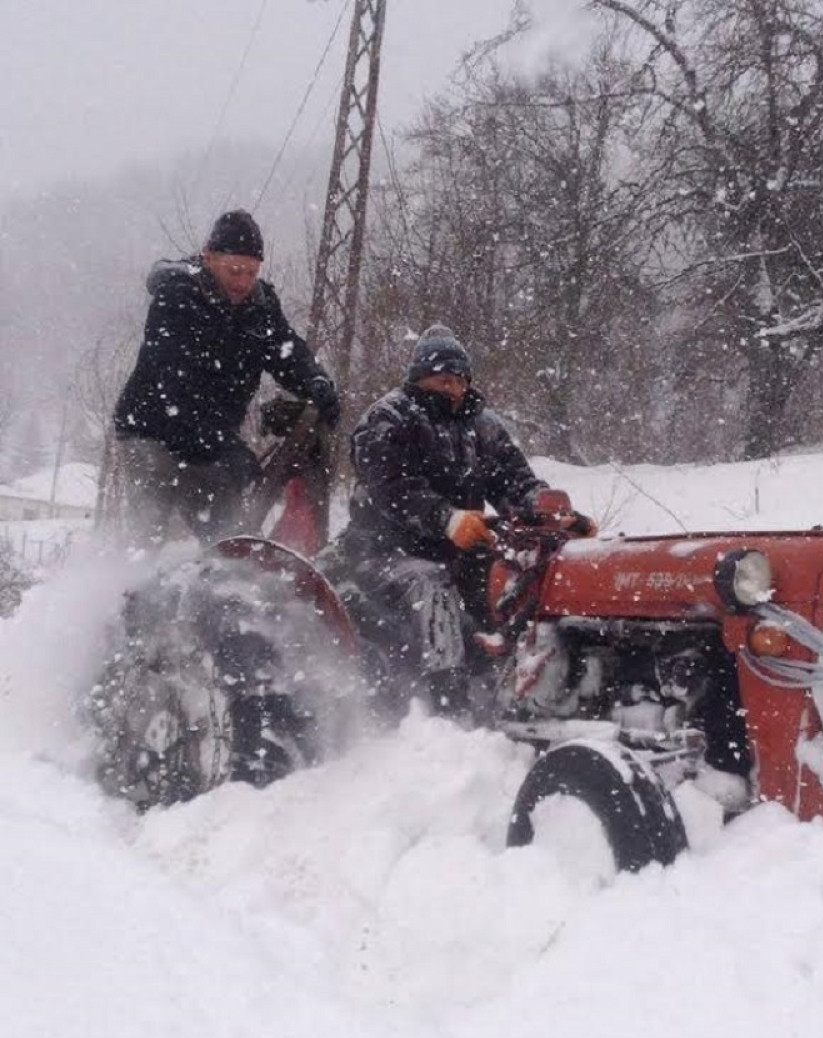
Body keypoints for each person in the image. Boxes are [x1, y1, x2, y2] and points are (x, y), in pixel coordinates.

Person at [341, 323, 596, 713]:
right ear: (420, 377)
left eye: (460, 380)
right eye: (443, 379)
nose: (454, 388)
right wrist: (444, 518)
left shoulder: (484, 428)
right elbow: (391, 489)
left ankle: (531, 683)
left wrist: (554, 515)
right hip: (381, 552)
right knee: (432, 584)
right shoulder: (387, 418)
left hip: (461, 549)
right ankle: (447, 701)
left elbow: (517, 483)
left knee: (520, 579)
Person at [113, 209, 341, 545]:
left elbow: (286, 350)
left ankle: (224, 591)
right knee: (150, 531)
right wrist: (224, 444)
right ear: (209, 258)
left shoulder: (260, 306)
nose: (242, 282)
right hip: (151, 430)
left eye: (251, 272)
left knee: (231, 536)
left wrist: (316, 382)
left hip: (209, 441)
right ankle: (130, 586)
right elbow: (174, 384)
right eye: (234, 270)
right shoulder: (177, 297)